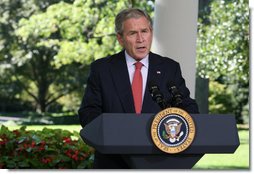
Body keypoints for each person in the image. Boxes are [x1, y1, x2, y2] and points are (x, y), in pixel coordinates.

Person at [78, 8, 199, 169]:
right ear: (120, 38)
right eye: (133, 33)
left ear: (151, 32)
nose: (140, 39)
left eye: (144, 31)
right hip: (113, 163)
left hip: (159, 161)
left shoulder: (169, 68)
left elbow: (186, 106)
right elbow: (88, 111)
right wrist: (112, 134)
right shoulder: (102, 69)